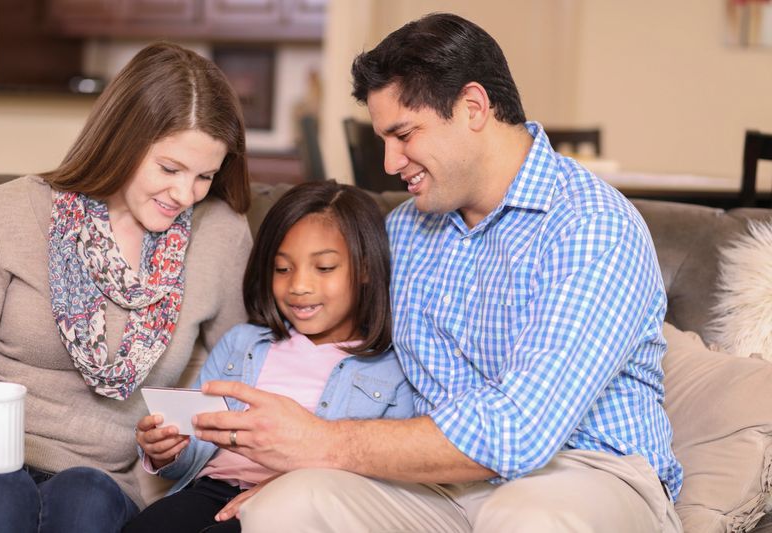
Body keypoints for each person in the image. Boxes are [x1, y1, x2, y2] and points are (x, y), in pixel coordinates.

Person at [191, 12, 685, 533]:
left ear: (472, 107)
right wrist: (305, 462)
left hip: (585, 473)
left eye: (403, 134)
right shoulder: (404, 230)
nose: (388, 161)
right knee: (285, 505)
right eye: (382, 138)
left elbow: (518, 432)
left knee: (528, 520)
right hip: (439, 483)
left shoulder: (591, 226)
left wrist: (321, 442)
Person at [0, 42, 252, 533]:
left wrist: (178, 445)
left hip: (110, 478)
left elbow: (242, 381)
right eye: (169, 169)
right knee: (0, 498)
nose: (185, 195)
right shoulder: (5, 213)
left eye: (205, 175)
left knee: (85, 497)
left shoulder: (220, 234)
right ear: (122, 139)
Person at [122, 180, 415, 533]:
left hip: (299, 501)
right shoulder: (242, 344)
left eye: (324, 268)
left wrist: (287, 488)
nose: (299, 286)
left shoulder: (393, 367)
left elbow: (390, 472)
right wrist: (167, 451)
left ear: (366, 269)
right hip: (212, 490)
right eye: (282, 268)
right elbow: (196, 440)